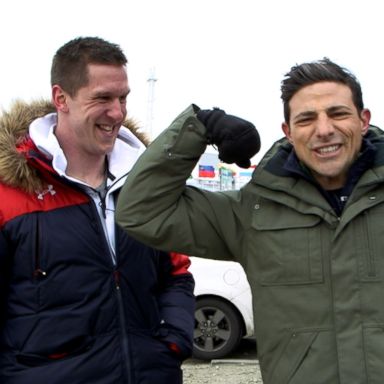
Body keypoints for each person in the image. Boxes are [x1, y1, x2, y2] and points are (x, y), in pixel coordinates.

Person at [116, 58, 384, 384]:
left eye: (338, 113)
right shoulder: (252, 212)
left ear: (364, 120)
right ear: (288, 132)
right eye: (306, 119)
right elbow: (141, 211)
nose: (324, 129)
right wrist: (199, 128)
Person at [0, 36, 195, 384]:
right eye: (102, 98)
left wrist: (173, 343)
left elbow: (176, 275)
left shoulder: (146, 186)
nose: (118, 112)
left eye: (123, 98)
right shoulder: (9, 193)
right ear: (61, 98)